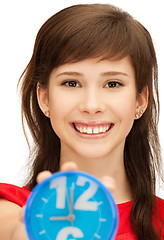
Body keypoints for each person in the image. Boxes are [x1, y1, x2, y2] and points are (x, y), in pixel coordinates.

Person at [0, 3, 163, 240]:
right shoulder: (14, 211)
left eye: (113, 84)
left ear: (140, 100)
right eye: (71, 83)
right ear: (44, 98)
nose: (91, 105)